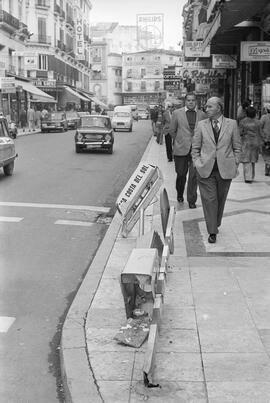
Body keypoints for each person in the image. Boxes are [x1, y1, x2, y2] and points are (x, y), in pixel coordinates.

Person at [192, 97, 241, 244]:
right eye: (206, 107)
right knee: (209, 200)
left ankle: (215, 222)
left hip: (225, 170)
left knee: (220, 200)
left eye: (209, 107)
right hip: (205, 170)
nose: (206, 109)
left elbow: (237, 146)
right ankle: (212, 231)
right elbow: (195, 147)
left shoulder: (232, 124)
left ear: (218, 108)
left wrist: (235, 162)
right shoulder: (201, 125)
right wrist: (197, 162)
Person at [170, 92, 207, 208]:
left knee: (193, 176)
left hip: (196, 150)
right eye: (189, 100)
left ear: (196, 102)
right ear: (185, 102)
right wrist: (179, 141)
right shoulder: (177, 113)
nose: (191, 102)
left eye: (193, 100)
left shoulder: (202, 115)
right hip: (181, 149)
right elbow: (172, 130)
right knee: (181, 174)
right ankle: (180, 193)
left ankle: (191, 200)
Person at [239, 106, 263, 183]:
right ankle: (251, 176)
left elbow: (240, 132)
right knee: (252, 160)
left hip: (246, 142)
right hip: (255, 142)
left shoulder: (243, 122)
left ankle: (248, 177)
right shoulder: (258, 122)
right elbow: (261, 133)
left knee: (246, 160)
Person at [260, 104, 270, 176]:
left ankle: (267, 170)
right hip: (266, 139)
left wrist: (262, 137)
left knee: (266, 156)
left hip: (266, 140)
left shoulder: (264, 117)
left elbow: (259, 127)